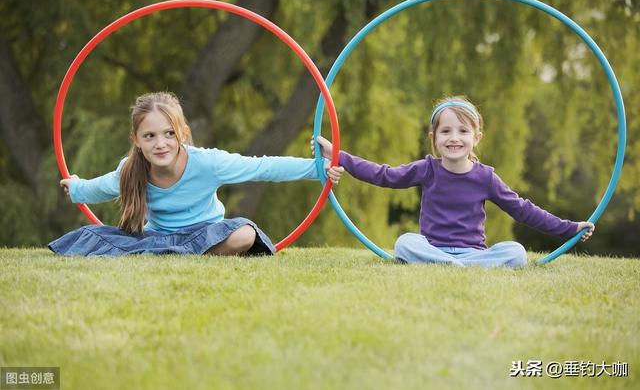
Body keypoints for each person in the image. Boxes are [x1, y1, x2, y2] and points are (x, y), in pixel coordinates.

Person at [50, 91, 344, 257]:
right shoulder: (131, 169)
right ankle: (170, 253)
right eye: (149, 136)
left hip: (207, 233)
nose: (160, 143)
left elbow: (262, 166)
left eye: (168, 134)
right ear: (136, 140)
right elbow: (102, 187)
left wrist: (317, 169)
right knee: (92, 237)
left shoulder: (208, 163)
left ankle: (177, 255)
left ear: (183, 134)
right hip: (158, 237)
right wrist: (77, 188)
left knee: (245, 234)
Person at [314, 95, 594, 267]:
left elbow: (523, 209)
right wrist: (338, 155)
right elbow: (383, 175)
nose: (454, 138)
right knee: (404, 243)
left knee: (516, 252)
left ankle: (457, 266)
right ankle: (448, 264)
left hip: (474, 255)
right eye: (445, 131)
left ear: (476, 138)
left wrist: (569, 229)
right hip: (431, 249)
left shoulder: (486, 177)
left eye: (463, 131)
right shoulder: (427, 169)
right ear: (433, 138)